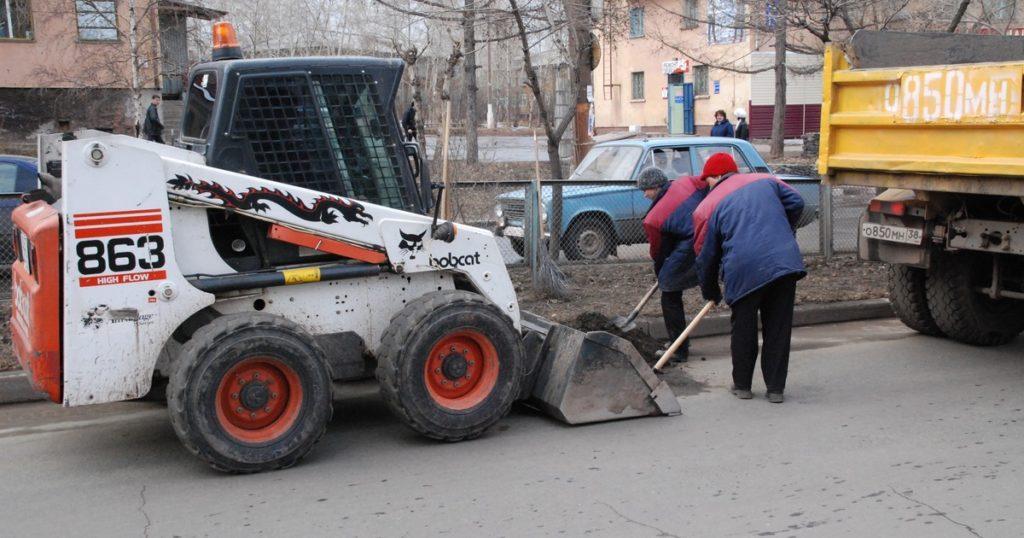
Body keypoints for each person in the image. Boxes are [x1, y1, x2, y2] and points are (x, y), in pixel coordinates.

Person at [692, 153, 805, 403]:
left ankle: (742, 385)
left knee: (743, 327)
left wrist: (710, 290)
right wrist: (783, 228)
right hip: (783, 263)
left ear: (719, 176)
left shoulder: (708, 206)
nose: (706, 185)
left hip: (744, 269)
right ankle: (775, 389)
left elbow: (705, 255)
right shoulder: (766, 180)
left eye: (708, 179)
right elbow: (797, 201)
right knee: (778, 327)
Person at [638, 167, 708, 363]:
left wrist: (661, 274)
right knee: (675, 284)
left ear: (658, 186)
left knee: (668, 291)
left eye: (647, 189)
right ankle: (679, 343)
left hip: (691, 243)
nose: (645, 194)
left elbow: (657, 252)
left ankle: (679, 349)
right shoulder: (686, 182)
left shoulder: (653, 219)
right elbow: (709, 186)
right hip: (709, 232)